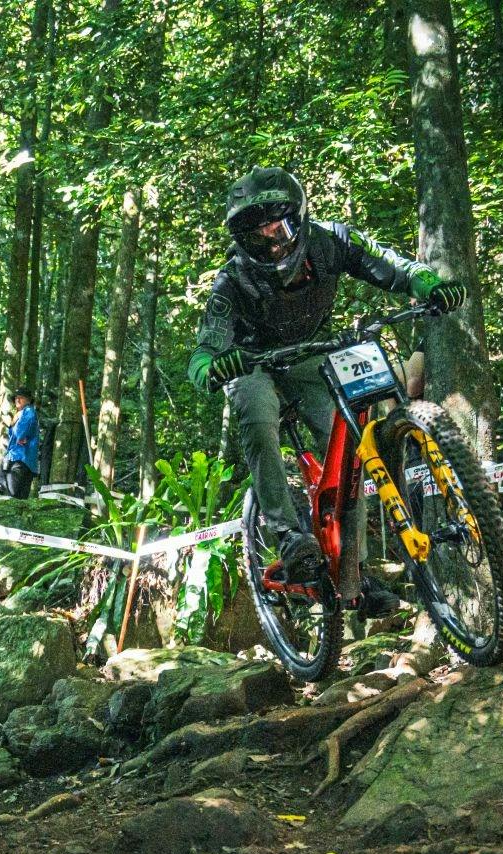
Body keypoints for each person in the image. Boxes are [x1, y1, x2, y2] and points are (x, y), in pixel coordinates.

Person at [187, 166, 467, 616]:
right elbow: (200, 358)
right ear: (242, 239)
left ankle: (353, 578)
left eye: (279, 227)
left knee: (353, 449)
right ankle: (289, 537)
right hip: (253, 364)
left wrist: (428, 284)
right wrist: (217, 365)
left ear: (299, 218)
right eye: (258, 235)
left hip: (308, 355)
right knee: (258, 420)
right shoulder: (230, 283)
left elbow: (391, 265)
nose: (272, 240)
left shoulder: (332, 240)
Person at [1, 390, 39, 498]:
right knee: (21, 498)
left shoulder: (28, 412)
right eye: (16, 397)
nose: (17, 400)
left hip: (21, 459)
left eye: (21, 397)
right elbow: (14, 437)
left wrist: (11, 422)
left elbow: (20, 435)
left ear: (28, 400)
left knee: (13, 495)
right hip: (22, 460)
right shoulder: (22, 413)